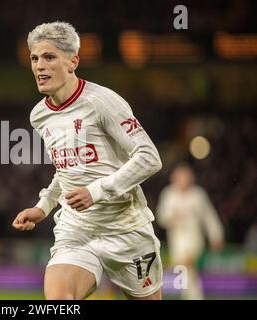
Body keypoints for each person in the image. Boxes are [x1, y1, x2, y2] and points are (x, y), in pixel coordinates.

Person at [12, 21, 163, 300]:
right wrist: (43, 206)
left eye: (49, 57)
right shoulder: (39, 115)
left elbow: (149, 158)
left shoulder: (102, 101)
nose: (39, 66)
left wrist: (96, 192)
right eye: (34, 58)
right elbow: (67, 170)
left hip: (126, 229)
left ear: (73, 61)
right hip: (77, 229)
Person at [156, 163, 224, 300]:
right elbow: (161, 217)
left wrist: (216, 235)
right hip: (176, 239)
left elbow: (209, 216)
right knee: (185, 272)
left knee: (187, 265)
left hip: (194, 238)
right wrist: (172, 218)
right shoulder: (168, 194)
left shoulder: (198, 195)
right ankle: (193, 296)